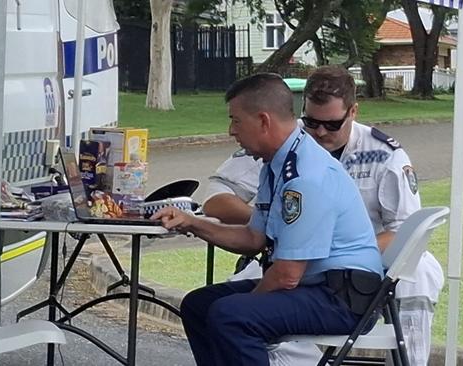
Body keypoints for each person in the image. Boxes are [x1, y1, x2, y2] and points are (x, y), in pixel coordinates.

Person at [204, 66, 444, 366]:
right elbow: (216, 198)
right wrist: (280, 224)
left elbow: (402, 229)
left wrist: (336, 247)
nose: (318, 132)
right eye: (311, 122)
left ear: (353, 111)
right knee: (207, 305)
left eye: (331, 125)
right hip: (295, 261)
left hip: (349, 273)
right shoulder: (278, 149)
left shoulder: (382, 154)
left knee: (420, 273)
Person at [151, 73, 384, 366]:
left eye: (236, 120)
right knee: (199, 305)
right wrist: (192, 222)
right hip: (319, 287)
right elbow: (253, 240)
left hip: (341, 299)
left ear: (263, 121)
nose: (230, 130)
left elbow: (287, 275)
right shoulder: (279, 165)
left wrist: (246, 305)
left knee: (231, 315)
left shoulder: (305, 177)